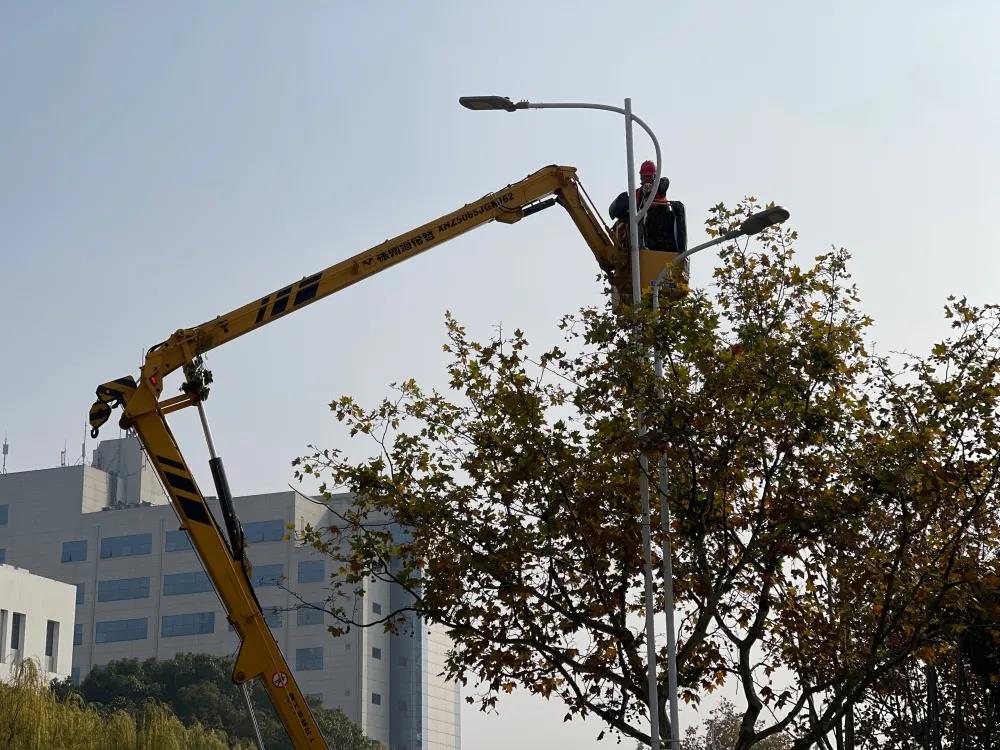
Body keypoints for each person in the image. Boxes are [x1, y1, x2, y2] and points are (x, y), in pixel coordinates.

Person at [608, 160, 686, 254]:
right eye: (645, 176)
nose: (647, 179)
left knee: (678, 206)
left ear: (654, 177)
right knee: (638, 215)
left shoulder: (659, 190)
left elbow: (665, 181)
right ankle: (638, 247)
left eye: (649, 176)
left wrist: (654, 187)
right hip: (645, 232)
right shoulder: (635, 194)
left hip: (662, 229)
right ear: (641, 177)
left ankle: (681, 250)